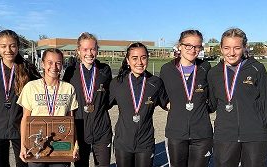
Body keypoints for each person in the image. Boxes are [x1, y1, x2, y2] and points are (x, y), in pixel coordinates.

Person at [208, 28, 267, 167]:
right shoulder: (213, 73)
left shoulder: (257, 68)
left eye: (237, 48)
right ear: (220, 48)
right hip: (225, 136)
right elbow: (211, 105)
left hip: (255, 135)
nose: (231, 53)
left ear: (244, 47)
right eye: (227, 48)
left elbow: (266, 104)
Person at [0, 29, 41, 167]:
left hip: (22, 129)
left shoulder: (28, 69)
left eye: (12, 45)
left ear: (18, 46)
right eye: (3, 46)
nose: (8, 50)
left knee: (24, 165)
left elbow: (42, 91)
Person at [159, 30, 213, 167]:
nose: (192, 49)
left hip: (202, 134)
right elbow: (159, 93)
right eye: (188, 45)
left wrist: (203, 109)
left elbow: (213, 96)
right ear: (180, 45)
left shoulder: (205, 67)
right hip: (176, 133)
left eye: (197, 46)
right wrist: (166, 104)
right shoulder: (167, 69)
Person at [109, 42, 168, 167]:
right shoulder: (117, 83)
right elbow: (102, 105)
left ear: (147, 58)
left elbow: (168, 104)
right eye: (134, 58)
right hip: (123, 142)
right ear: (128, 60)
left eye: (143, 57)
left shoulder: (155, 83)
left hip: (145, 143)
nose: (139, 62)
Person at [17, 48, 79, 167]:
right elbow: (25, 118)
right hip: (36, 144)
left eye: (58, 63)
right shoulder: (31, 87)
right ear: (43, 64)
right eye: (50, 62)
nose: (54, 67)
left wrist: (75, 143)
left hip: (61, 145)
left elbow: (71, 120)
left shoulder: (68, 88)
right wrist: (23, 145)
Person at [62, 32, 112, 167]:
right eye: (85, 49)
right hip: (79, 129)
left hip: (101, 129)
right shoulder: (70, 72)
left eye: (92, 49)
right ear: (78, 51)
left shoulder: (105, 70)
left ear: (97, 50)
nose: (89, 53)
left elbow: (110, 96)